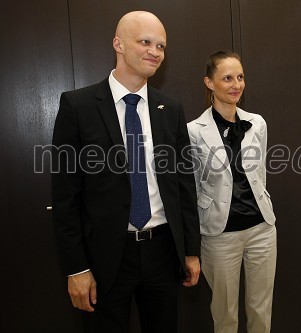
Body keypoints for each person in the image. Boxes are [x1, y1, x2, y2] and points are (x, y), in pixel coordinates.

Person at [51, 11, 200, 332]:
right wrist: (76, 269)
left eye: (161, 45)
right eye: (145, 42)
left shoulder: (170, 109)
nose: (155, 52)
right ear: (118, 43)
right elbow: (65, 197)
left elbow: (183, 185)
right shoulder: (78, 106)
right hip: (104, 258)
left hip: (163, 252)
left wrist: (190, 251)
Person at [187, 51, 277, 333]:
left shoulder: (257, 123)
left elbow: (259, 174)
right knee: (225, 314)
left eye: (240, 77)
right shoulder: (194, 130)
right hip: (219, 234)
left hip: (262, 228)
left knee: (261, 308)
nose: (236, 84)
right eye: (227, 78)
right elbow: (194, 184)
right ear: (209, 82)